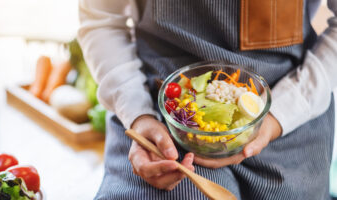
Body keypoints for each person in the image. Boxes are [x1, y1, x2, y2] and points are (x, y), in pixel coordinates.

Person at [78, 0, 337, 199]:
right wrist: (138, 114)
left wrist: (279, 115)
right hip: (163, 119)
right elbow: (102, 20)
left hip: (292, 114)